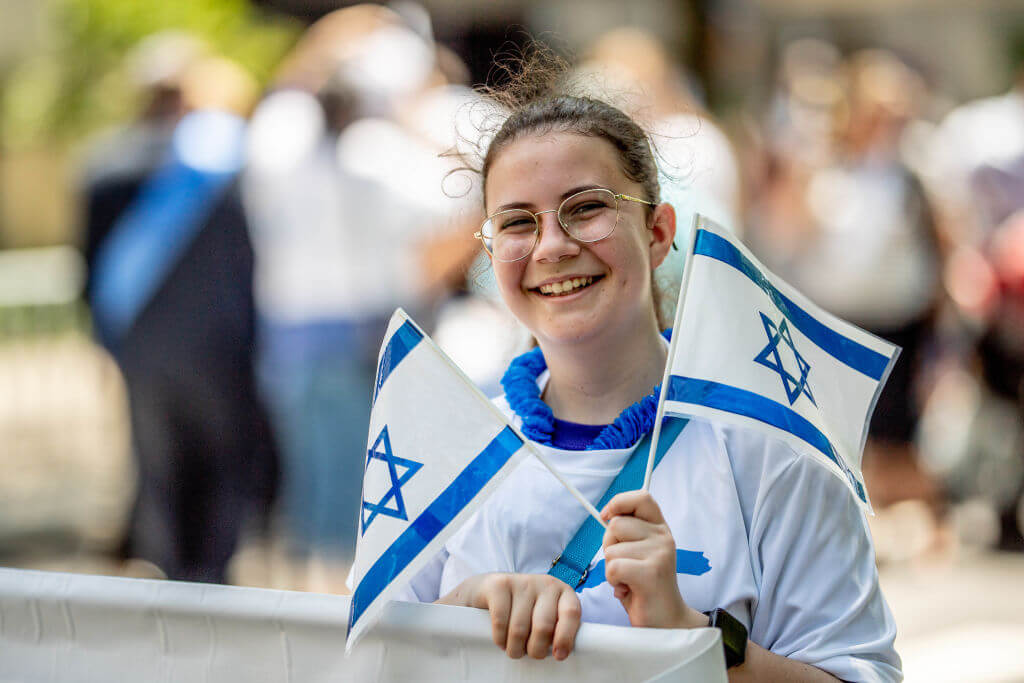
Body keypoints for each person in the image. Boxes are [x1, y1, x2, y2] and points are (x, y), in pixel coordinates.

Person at [395, 52, 901, 681]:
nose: (552, 246)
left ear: (658, 230)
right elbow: (365, 659)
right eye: (518, 221)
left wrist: (691, 635)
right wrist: (460, 613)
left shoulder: (772, 448)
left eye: (585, 207)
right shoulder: (443, 455)